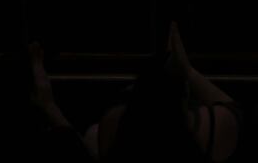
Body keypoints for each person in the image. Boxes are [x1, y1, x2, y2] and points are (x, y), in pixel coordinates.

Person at [88, 22, 241, 162]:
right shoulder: (210, 131)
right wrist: (188, 71)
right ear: (184, 95)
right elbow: (232, 110)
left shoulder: (113, 125)